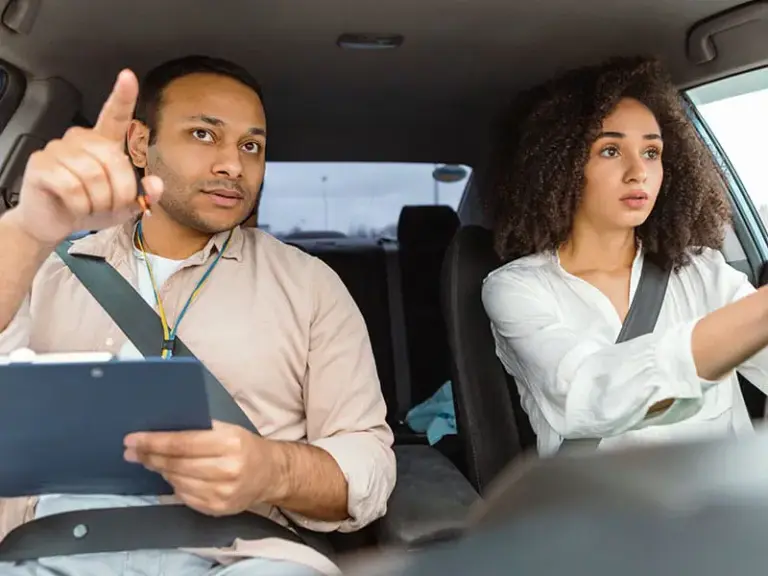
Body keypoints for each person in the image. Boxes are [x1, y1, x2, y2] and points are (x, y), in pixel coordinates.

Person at [0, 55, 395, 575]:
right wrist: (29, 228)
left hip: (246, 554)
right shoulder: (43, 269)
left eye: (251, 146)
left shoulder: (310, 285)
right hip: (55, 549)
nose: (234, 164)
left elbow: (368, 458)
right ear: (141, 144)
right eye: (205, 135)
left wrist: (271, 470)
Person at [481, 55, 768, 457]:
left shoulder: (703, 271)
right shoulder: (517, 289)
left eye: (652, 153)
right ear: (560, 166)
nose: (639, 172)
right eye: (611, 151)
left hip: (723, 513)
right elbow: (590, 393)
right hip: (600, 517)